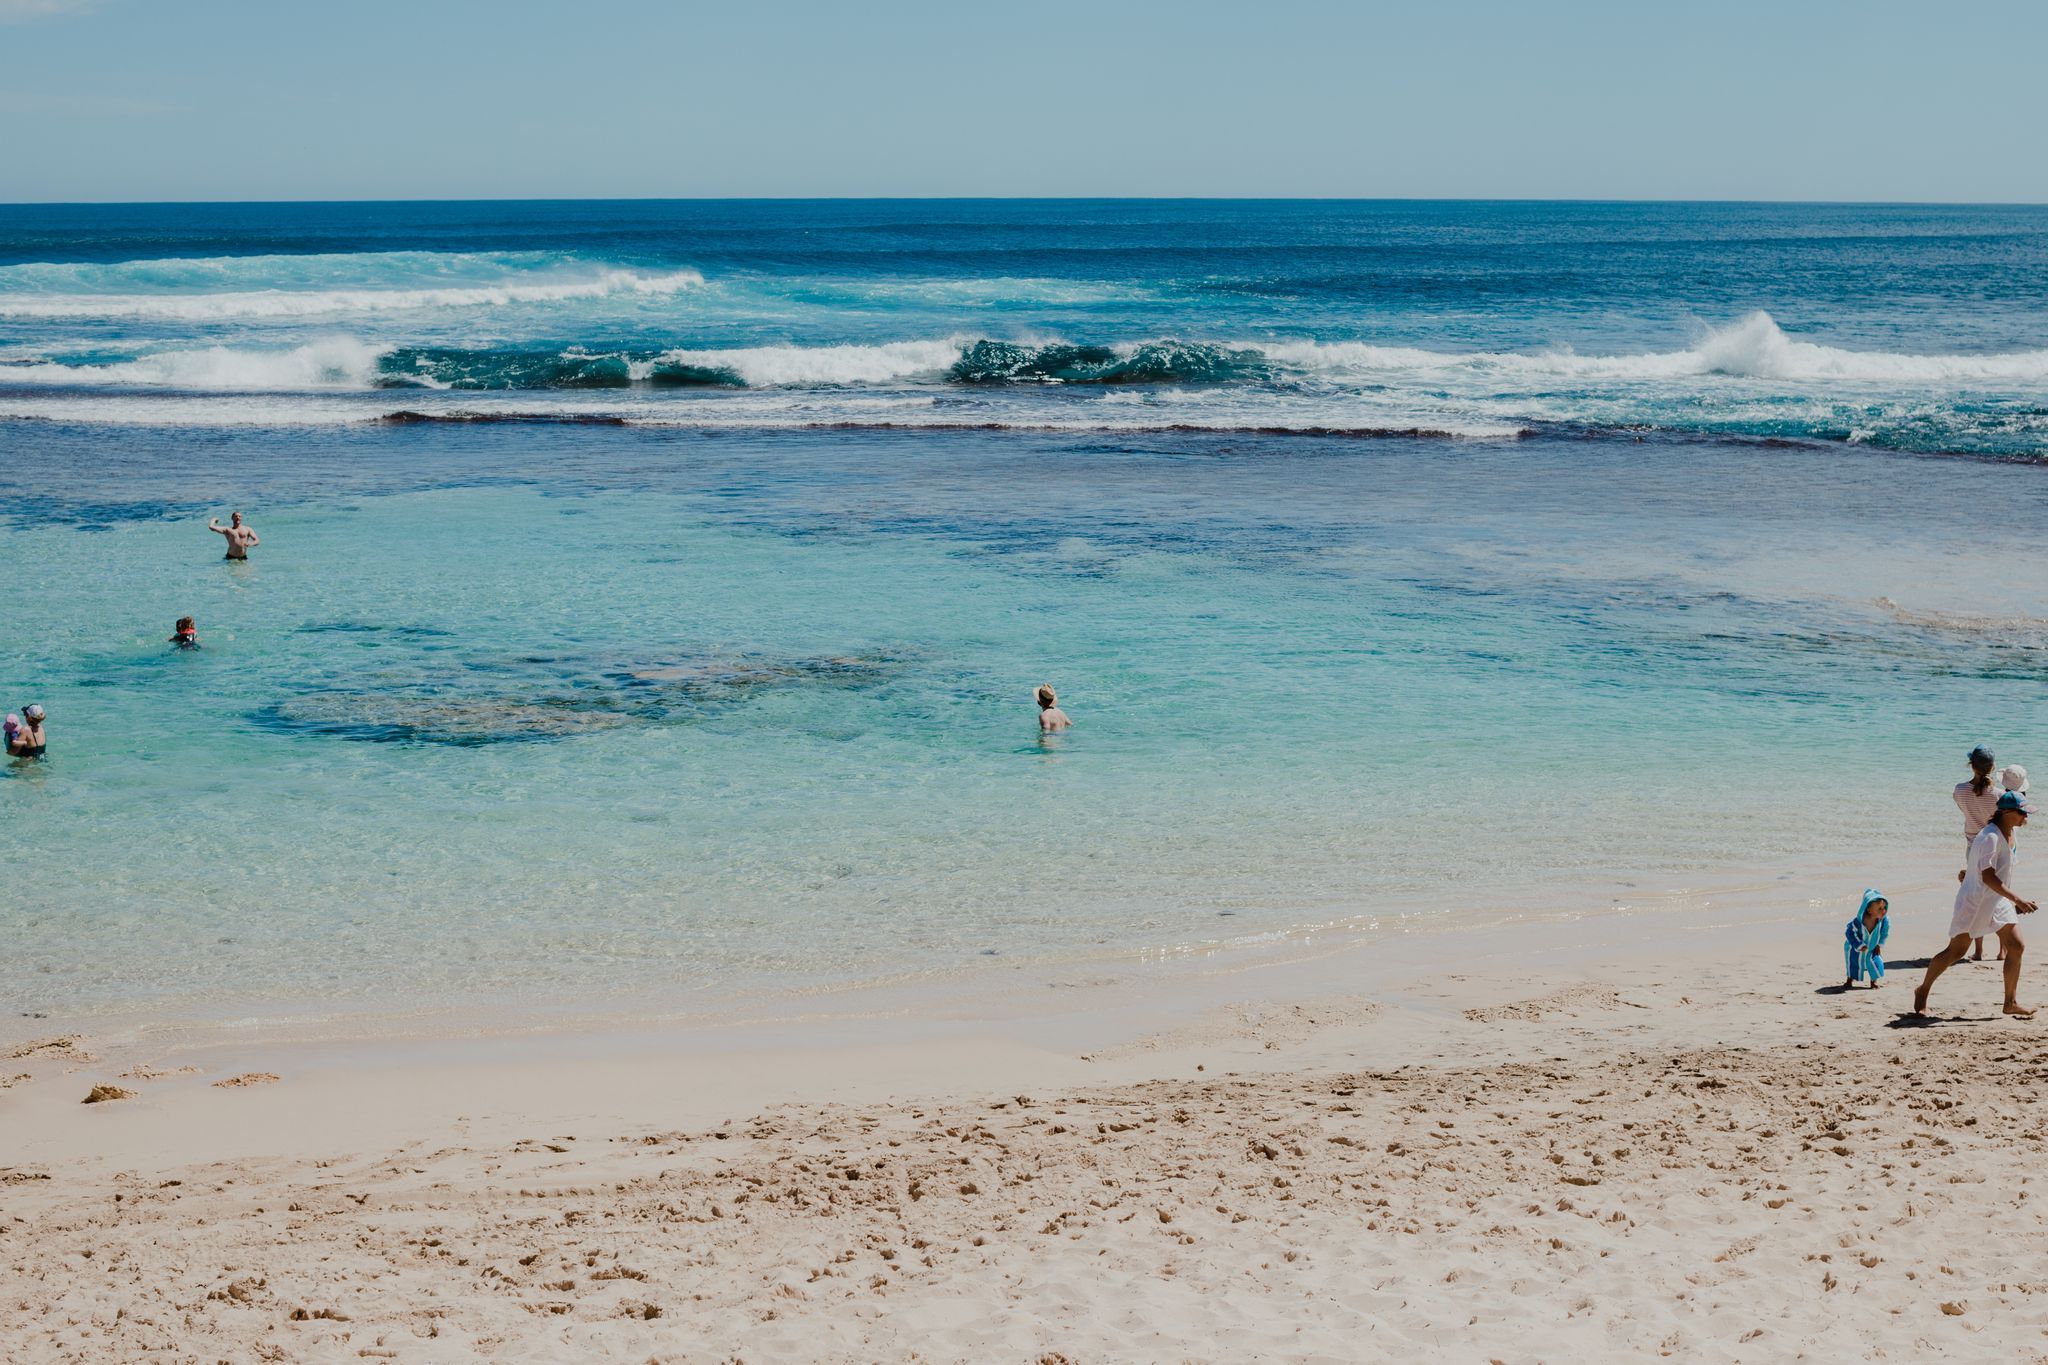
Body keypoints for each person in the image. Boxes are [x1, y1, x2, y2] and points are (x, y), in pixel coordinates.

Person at [1914, 790, 2038, 1019]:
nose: (2025, 818)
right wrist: (2018, 900)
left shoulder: (2009, 833)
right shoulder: (1990, 837)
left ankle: (2010, 1002)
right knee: (1956, 951)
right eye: (2022, 813)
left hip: (1997, 900)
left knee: (2017, 946)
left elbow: (1991, 870)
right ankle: (1922, 991)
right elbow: (1988, 877)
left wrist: (2008, 898)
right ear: (2006, 812)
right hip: (1976, 901)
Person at [1954, 745, 2004, 960]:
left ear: (1971, 765)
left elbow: (1964, 807)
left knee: (1976, 894)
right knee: (2000, 893)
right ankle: (2003, 949)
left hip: (1974, 847)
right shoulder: (2000, 795)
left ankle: (1978, 950)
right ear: (1993, 767)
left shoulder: (1960, 790)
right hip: (1997, 845)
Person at [1843, 890, 1889, 988]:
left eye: (1884, 907)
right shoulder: (1858, 922)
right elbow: (1849, 933)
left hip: (1872, 946)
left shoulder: (1883, 921)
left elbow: (1884, 932)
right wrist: (1859, 944)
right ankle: (1849, 980)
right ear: (1869, 910)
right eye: (1879, 908)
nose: (1883, 911)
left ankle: (1873, 981)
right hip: (1854, 948)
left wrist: (1879, 944)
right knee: (1853, 963)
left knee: (1875, 963)